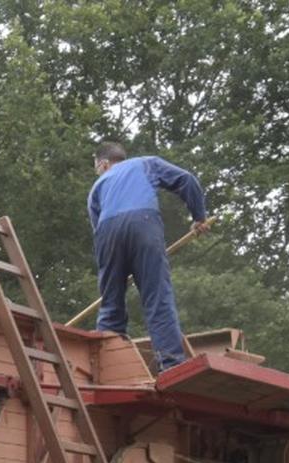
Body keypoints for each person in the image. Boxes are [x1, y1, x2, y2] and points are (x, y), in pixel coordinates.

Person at [88, 141, 212, 373]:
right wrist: (199, 217)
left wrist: (118, 268)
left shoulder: (97, 187)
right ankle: (171, 365)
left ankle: (105, 367)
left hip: (107, 233)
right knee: (157, 297)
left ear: (103, 165)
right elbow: (187, 180)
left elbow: (99, 230)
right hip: (143, 223)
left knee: (111, 302)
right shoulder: (146, 163)